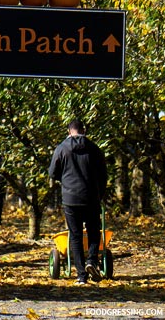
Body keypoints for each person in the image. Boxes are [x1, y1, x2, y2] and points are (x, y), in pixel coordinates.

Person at [49, 118, 107, 285]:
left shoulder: (61, 149)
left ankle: (81, 276)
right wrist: (99, 194)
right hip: (91, 197)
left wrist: (66, 180)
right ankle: (92, 261)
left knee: (75, 236)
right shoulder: (94, 149)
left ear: (69, 131)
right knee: (94, 232)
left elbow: (53, 173)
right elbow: (103, 174)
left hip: (70, 198)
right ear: (84, 130)